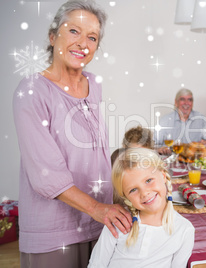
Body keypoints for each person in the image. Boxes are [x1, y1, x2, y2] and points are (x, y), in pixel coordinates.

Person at [13, 1, 131, 267]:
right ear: (53, 36)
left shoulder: (94, 84)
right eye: (74, 31)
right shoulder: (31, 90)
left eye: (92, 37)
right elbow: (46, 175)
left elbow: (91, 152)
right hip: (54, 231)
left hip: (99, 224)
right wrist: (98, 208)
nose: (83, 43)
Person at [88, 148, 195, 267]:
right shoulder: (119, 221)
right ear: (126, 196)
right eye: (133, 190)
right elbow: (96, 264)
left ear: (163, 175)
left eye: (148, 180)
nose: (144, 193)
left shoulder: (184, 230)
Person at [155, 88, 206, 154]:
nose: (186, 103)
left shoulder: (201, 119)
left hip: (194, 160)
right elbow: (154, 143)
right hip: (171, 159)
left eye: (189, 100)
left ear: (192, 103)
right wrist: (160, 149)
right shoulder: (165, 120)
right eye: (182, 99)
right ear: (176, 102)